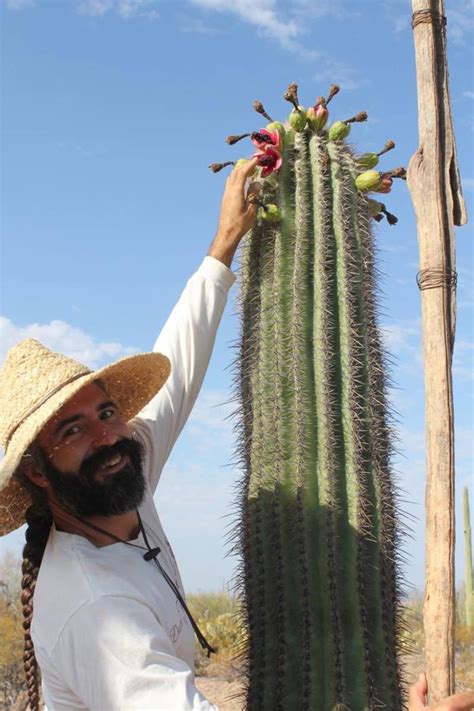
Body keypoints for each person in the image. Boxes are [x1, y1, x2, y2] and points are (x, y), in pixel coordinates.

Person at [1, 156, 472, 711]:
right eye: (72, 430)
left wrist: (222, 247)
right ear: (36, 471)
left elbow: (178, 367)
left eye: (106, 413)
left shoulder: (114, 480)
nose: (105, 437)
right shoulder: (93, 609)